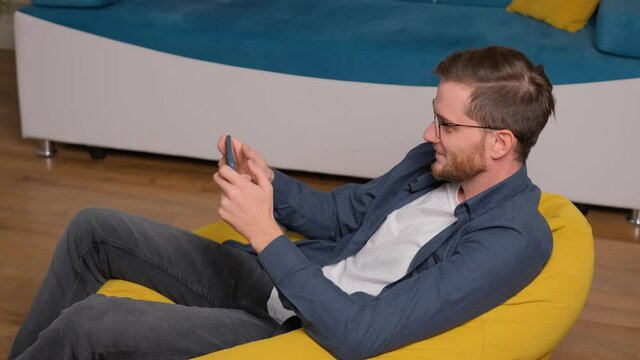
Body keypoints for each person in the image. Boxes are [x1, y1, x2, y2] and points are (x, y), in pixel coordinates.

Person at [9, 45, 555, 359]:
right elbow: (345, 215)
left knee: (94, 324)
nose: (428, 131)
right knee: (94, 228)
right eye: (433, 112)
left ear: (500, 143)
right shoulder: (432, 163)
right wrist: (269, 182)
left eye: (445, 123)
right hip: (284, 281)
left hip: (304, 331)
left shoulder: (508, 239)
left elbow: (361, 334)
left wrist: (265, 232)